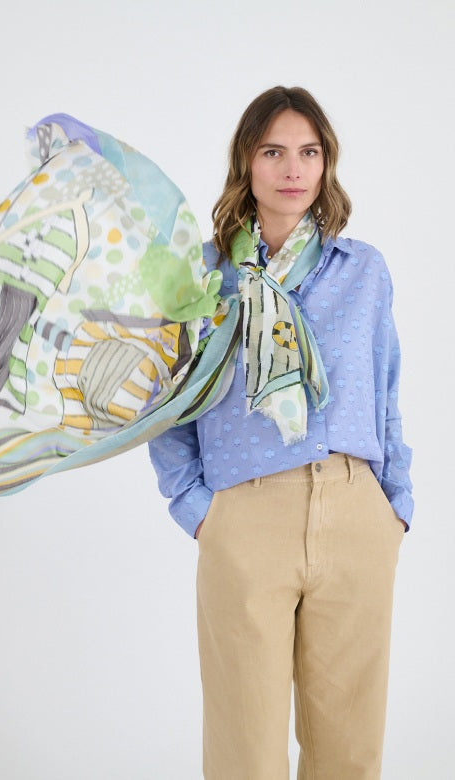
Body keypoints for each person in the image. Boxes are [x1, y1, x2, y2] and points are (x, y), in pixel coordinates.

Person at [148, 86, 413, 779]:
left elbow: (386, 390)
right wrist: (198, 509)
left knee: (348, 752)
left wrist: (395, 507)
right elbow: (166, 402)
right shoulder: (203, 279)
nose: (292, 168)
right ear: (247, 163)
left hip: (357, 512)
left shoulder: (365, 271)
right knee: (246, 754)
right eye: (273, 152)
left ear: (326, 165)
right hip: (245, 516)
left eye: (309, 152)